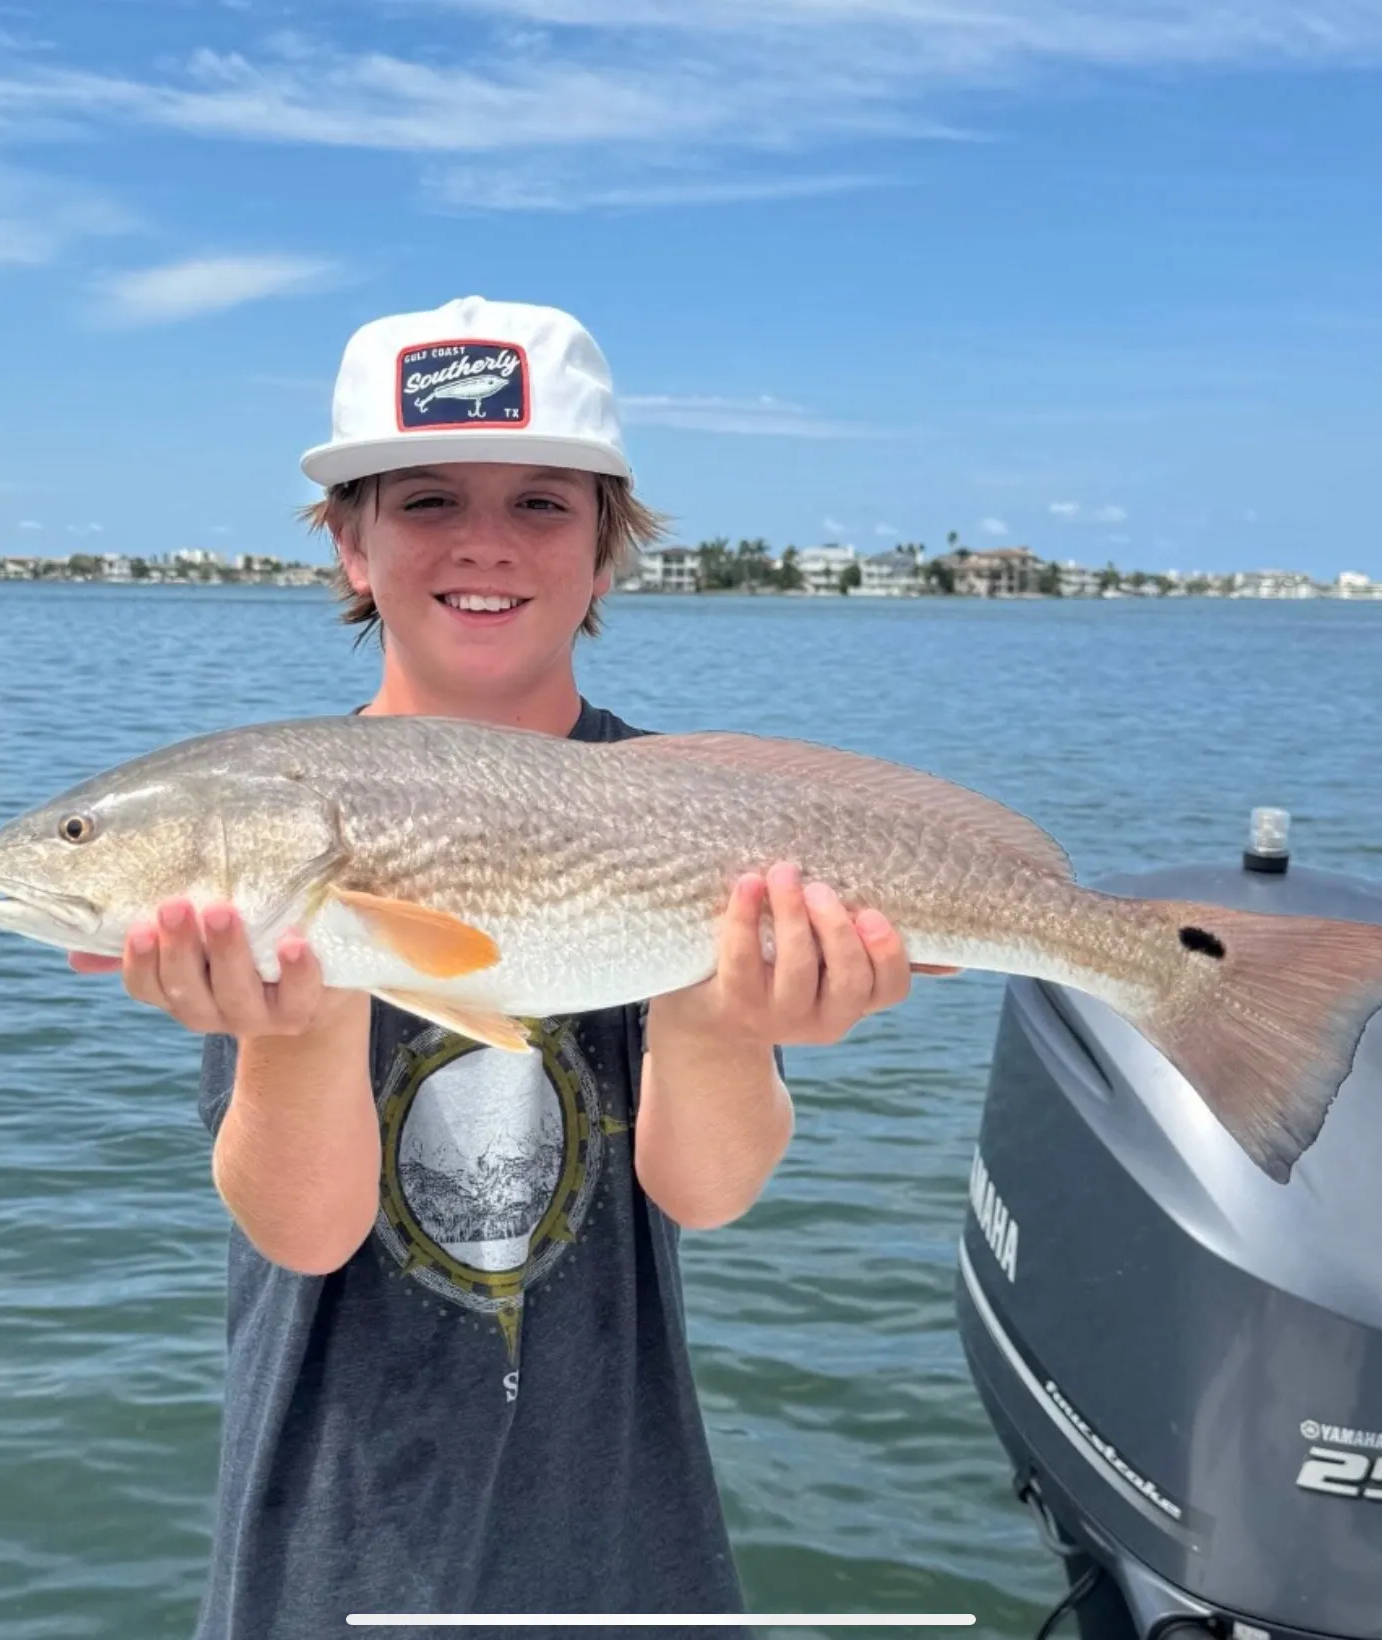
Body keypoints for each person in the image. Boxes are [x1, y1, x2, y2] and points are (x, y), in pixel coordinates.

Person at [70, 295, 943, 1636]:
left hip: (628, 1559)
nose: (484, 541)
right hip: (331, 1561)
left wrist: (720, 1028)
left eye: (542, 502)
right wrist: (292, 1032)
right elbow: (303, 1235)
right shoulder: (275, 827)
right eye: (427, 500)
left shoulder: (700, 813)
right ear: (350, 542)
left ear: (607, 549)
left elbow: (706, 1193)